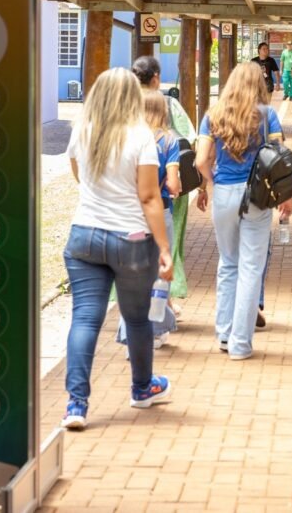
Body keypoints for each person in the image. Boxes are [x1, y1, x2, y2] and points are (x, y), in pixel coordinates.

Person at [61, 68, 174, 430]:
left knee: (84, 318)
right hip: (131, 240)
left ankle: (76, 404)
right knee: (137, 318)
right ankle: (142, 389)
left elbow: (79, 175)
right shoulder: (141, 135)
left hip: (84, 235)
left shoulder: (83, 130)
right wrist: (164, 248)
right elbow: (148, 196)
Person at [195, 62, 292, 360]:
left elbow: (200, 161)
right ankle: (240, 343)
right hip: (257, 196)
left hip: (224, 193)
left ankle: (224, 334)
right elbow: (280, 159)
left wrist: (214, 183)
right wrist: (284, 197)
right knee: (251, 268)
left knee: (228, 264)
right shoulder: (267, 116)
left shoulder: (213, 114)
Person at [116, 91, 180, 349]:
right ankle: (156, 329)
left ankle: (128, 330)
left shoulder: (125, 139)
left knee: (130, 275)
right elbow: (174, 184)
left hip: (130, 213)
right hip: (161, 209)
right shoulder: (169, 141)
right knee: (160, 272)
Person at [132, 56, 195, 305]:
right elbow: (190, 138)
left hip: (127, 207)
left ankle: (135, 319)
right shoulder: (168, 112)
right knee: (165, 252)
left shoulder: (123, 110)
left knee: (134, 265)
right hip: (162, 201)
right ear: (156, 78)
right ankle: (161, 312)